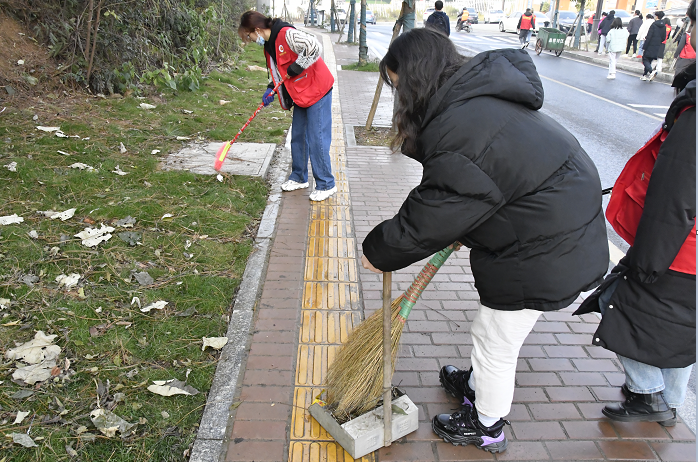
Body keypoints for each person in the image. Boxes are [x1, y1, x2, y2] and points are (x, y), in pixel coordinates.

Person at [362, 28, 609, 454]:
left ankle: (487, 425)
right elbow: (487, 183)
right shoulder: (475, 101)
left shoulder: (462, 127)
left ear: (416, 78)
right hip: (547, 227)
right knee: (492, 331)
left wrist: (379, 250)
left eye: (398, 87)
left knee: (495, 338)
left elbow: (433, 211)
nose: (397, 99)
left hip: (544, 248)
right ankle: (476, 385)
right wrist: (470, 224)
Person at [575, 0, 695, 428]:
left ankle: (649, 395)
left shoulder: (695, 114)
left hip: (679, 250)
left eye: (692, 20)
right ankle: (671, 403)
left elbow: (676, 197)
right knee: (682, 329)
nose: (688, 27)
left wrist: (645, 261)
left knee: (618, 303)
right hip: (692, 253)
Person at [238, 11, 337, 202]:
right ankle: (299, 177)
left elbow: (313, 46)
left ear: (257, 29)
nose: (250, 40)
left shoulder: (286, 34)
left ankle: (326, 184)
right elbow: (277, 71)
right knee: (298, 136)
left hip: (318, 89)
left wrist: (297, 66)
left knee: (317, 137)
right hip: (301, 94)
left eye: (250, 36)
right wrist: (270, 89)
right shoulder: (268, 46)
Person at [642, 11, 672, 81]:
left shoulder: (654, 25)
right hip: (658, 45)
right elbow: (664, 37)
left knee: (645, 59)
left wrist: (644, 46)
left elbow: (649, 36)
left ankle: (651, 71)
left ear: (657, 16)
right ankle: (644, 75)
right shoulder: (664, 26)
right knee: (649, 61)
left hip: (650, 45)